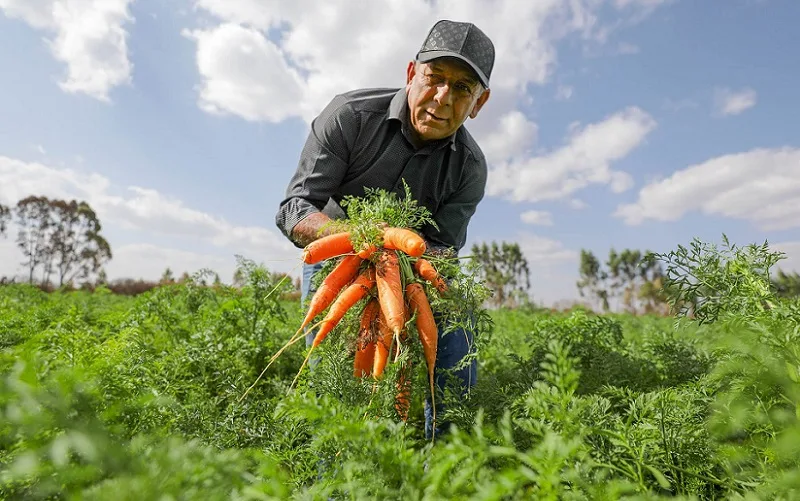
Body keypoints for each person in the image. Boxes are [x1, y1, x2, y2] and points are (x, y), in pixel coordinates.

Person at [275, 19, 495, 438]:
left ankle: (446, 460)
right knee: (334, 378)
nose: (443, 98)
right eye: (435, 78)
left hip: (414, 273)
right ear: (412, 74)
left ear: (479, 104)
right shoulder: (350, 116)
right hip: (338, 258)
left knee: (456, 343)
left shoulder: (469, 167)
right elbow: (295, 208)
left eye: (463, 88)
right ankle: (332, 471)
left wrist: (405, 264)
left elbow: (444, 249)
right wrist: (361, 235)